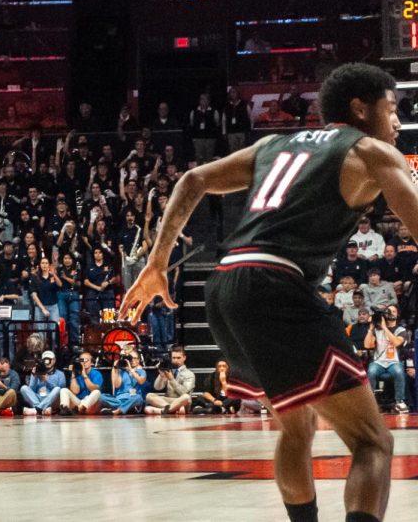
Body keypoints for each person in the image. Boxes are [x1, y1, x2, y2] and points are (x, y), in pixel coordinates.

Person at [122, 63, 409, 522]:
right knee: (373, 442)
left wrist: (157, 264)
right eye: (392, 110)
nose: (397, 122)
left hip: (226, 284)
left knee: (296, 428)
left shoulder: (273, 144)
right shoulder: (372, 152)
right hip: (277, 284)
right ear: (360, 108)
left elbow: (192, 180)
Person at [364, 307, 409, 414]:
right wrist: (371, 329)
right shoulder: (376, 329)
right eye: (389, 311)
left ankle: (400, 401)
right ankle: (370, 401)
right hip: (378, 362)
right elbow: (367, 345)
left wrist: (384, 327)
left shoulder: (400, 330)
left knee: (399, 372)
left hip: (394, 362)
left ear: (397, 314)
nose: (391, 313)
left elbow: (397, 343)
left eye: (394, 311)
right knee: (371, 371)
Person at [144, 346, 195, 415]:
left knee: (186, 397)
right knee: (149, 396)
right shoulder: (168, 370)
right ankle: (172, 409)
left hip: (181, 400)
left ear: (184, 358)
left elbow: (184, 393)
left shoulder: (189, 374)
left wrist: (171, 379)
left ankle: (161, 411)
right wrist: (161, 376)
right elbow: (157, 388)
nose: (176, 360)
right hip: (168, 400)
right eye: (174, 358)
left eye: (178, 358)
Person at [19, 351, 66, 416]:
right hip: (37, 398)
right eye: (45, 360)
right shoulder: (37, 371)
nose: (47, 361)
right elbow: (31, 389)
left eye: (49, 359)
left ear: (54, 360)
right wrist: (34, 376)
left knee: (57, 389)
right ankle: (41, 409)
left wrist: (47, 380)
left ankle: (37, 410)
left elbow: (61, 390)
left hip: (51, 399)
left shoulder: (60, 374)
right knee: (23, 388)